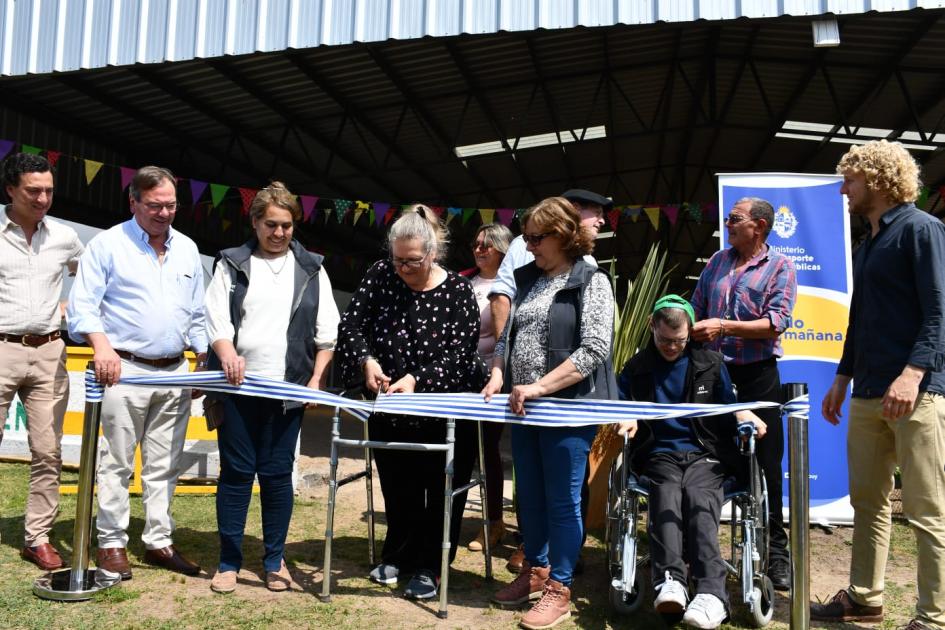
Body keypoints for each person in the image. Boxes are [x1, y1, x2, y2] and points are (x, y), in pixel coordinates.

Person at [810, 140, 945, 630]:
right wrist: (841, 379)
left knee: (927, 510)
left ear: (878, 179)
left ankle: (933, 618)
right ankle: (866, 599)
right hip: (867, 391)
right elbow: (860, 320)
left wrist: (913, 375)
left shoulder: (923, 230)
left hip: (916, 392)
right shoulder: (867, 243)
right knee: (868, 503)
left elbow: (939, 313)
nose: (844, 189)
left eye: (850, 179)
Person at [337, 205, 486, 601]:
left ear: (433, 252)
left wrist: (417, 380)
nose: (403, 268)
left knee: (439, 489)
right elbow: (350, 324)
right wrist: (367, 360)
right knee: (398, 485)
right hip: (390, 405)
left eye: (413, 261)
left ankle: (431, 566)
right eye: (397, 259)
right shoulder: (381, 276)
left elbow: (461, 354)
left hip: (445, 409)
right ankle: (398, 554)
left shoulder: (458, 291)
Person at [67, 166, 207, 579]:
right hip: (123, 369)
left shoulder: (188, 249)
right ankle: (111, 542)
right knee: (117, 462)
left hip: (176, 371)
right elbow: (83, 306)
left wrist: (202, 357)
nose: (164, 213)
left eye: (171, 205)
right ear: (133, 203)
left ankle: (159, 541)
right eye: (154, 206)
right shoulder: (108, 245)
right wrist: (101, 345)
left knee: (165, 462)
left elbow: (197, 313)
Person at [484, 196, 616, 630]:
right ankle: (536, 570)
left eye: (536, 238)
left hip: (566, 410)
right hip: (523, 408)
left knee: (562, 499)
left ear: (562, 236)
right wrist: (499, 372)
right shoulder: (530, 280)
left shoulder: (592, 281)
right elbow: (509, 336)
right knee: (531, 495)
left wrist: (540, 386)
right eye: (527, 237)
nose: (529, 245)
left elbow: (595, 348)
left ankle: (560, 585)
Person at [204, 183, 340, 594]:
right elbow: (216, 320)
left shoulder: (313, 269)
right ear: (255, 222)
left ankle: (274, 561)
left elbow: (327, 332)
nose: (279, 233)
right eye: (271, 225)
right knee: (237, 474)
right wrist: (226, 353)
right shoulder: (231, 263)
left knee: (278, 475)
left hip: (289, 391)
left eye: (286, 225)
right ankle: (228, 562)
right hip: (238, 388)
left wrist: (314, 382)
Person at [616, 295, 766, 630]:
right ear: (652, 327)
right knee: (667, 496)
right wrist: (626, 417)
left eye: (680, 340)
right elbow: (620, 402)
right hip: (659, 454)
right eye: (665, 340)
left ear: (689, 333)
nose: (672, 347)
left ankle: (712, 594)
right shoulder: (637, 367)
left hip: (705, 454)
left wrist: (745, 414)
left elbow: (729, 404)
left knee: (699, 498)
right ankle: (671, 581)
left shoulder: (710, 362)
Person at [689, 196, 797, 591]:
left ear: (760, 226)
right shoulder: (717, 262)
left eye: (735, 219)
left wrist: (724, 326)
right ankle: (696, 549)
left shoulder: (780, 267)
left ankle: (777, 554)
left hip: (756, 376)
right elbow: (696, 305)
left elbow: (776, 322)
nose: (727, 224)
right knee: (705, 457)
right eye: (728, 218)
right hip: (713, 374)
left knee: (766, 467)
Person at [0, 153, 83, 570]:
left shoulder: (65, 237)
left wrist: (74, 306)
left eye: (49, 190)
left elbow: (90, 278)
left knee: (48, 451)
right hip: (1, 349)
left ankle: (37, 537)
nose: (43, 198)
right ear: (10, 189)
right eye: (34, 190)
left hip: (50, 351)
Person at [463, 223, 514, 553]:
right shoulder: (464, 280)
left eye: (488, 245)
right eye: (477, 244)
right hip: (459, 378)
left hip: (492, 380)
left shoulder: (509, 285)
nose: (480, 249)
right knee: (459, 447)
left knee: (488, 450)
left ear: (503, 249)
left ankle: (494, 523)